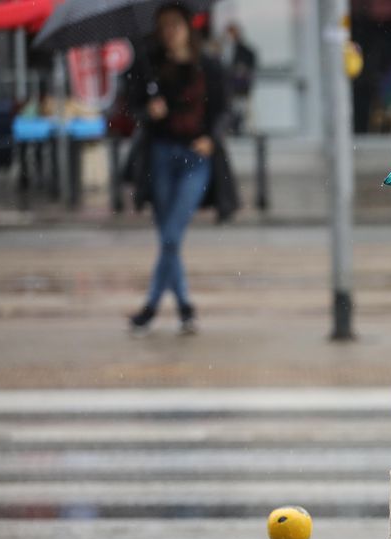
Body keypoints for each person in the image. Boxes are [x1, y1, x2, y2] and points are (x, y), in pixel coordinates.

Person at [125, 3, 236, 335]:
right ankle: (184, 308)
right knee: (167, 238)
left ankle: (153, 307)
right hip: (159, 155)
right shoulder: (149, 65)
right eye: (164, 27)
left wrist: (212, 138)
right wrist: (149, 110)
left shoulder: (208, 66)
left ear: (188, 27)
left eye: (175, 25)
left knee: (172, 236)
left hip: (195, 157)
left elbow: (224, 110)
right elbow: (131, 105)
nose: (169, 32)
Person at [219, 23, 257, 135]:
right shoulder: (223, 48)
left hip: (240, 86)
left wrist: (242, 70)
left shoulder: (244, 50)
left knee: (242, 109)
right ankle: (232, 128)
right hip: (228, 86)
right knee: (231, 108)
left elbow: (250, 65)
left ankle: (241, 128)